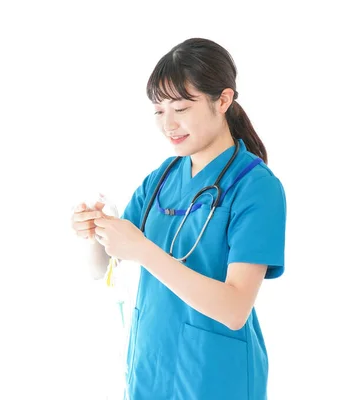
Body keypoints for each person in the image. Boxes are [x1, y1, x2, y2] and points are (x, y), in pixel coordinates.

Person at [71, 38, 287, 400]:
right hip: (151, 368)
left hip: (215, 376)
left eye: (181, 108)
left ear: (223, 100)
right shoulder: (162, 179)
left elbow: (235, 309)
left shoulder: (257, 188)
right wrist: (94, 233)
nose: (168, 124)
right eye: (158, 111)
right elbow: (102, 268)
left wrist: (142, 251)